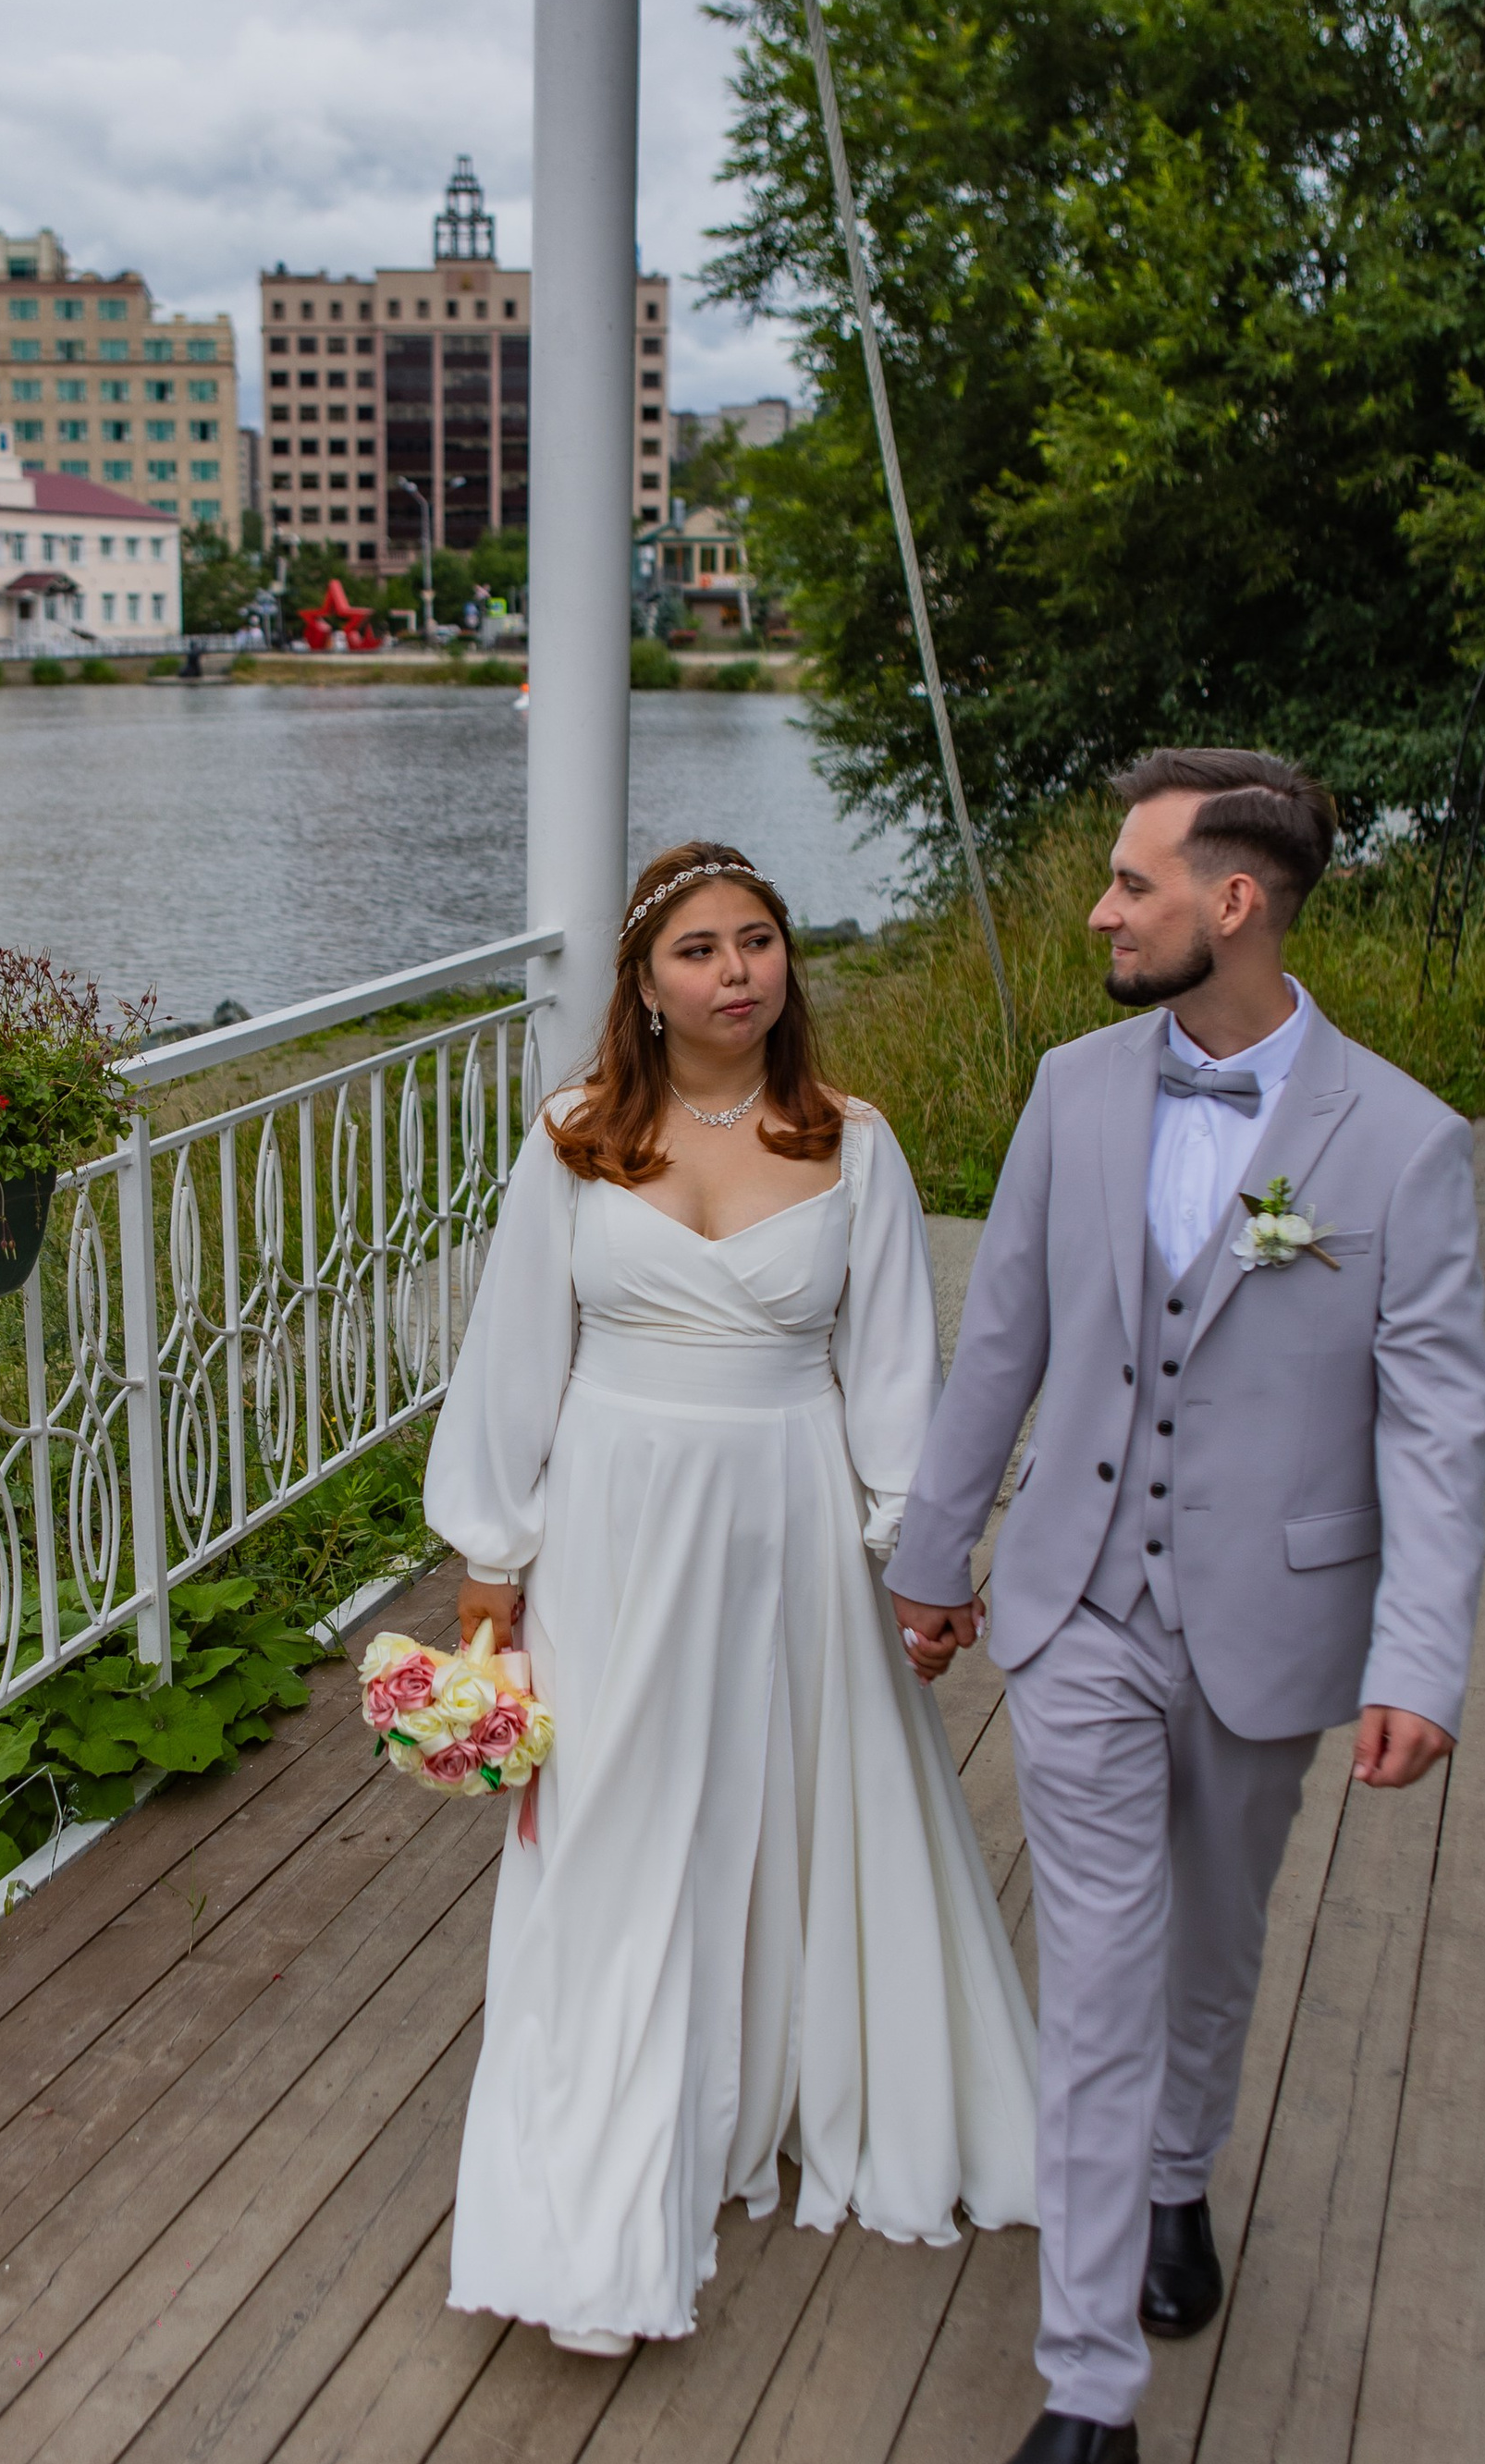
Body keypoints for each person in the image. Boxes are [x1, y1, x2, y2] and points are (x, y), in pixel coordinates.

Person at [890, 751, 1485, 2464]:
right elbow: (1000, 1336)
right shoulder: (1073, 1094)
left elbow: (1437, 1429)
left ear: (1231, 903)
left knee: (1212, 1948)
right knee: (1093, 1977)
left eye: (1129, 883)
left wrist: (1419, 1661)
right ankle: (1087, 2391)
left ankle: (1176, 2178)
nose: (1099, 909)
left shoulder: (1407, 1143)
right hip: (1073, 1599)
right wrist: (938, 1559)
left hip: (1274, 1624)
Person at [423, 840, 1037, 2357]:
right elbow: (515, 1356)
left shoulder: (854, 1140)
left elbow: (895, 1368)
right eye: (699, 950)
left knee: (791, 1812)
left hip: (794, 1521)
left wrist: (919, 1554)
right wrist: (491, 1557)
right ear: (643, 984)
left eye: (758, 942)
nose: (737, 972)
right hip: (618, 1528)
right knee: (611, 1840)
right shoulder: (573, 1137)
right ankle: (596, 2197)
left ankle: (773, 2093)